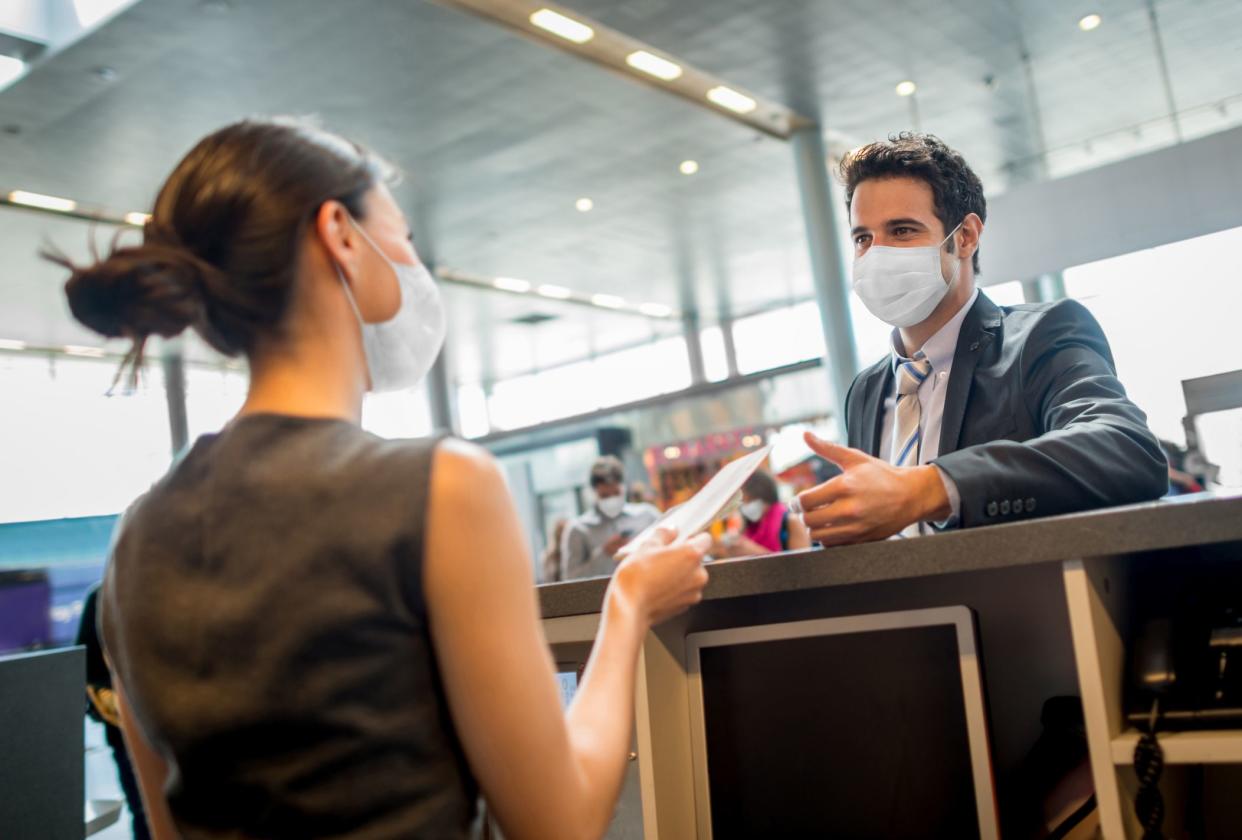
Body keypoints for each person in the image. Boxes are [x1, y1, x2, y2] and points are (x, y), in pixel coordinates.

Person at [50, 118, 710, 840]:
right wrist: (628, 608)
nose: (412, 267)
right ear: (338, 233)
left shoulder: (137, 538)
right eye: (404, 239)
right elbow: (558, 822)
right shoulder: (440, 487)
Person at [796, 132, 1167, 545]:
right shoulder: (867, 390)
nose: (876, 255)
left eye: (902, 231)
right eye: (863, 238)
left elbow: (1125, 448)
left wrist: (930, 488)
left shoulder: (1040, 337)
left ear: (966, 236)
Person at [76, 584, 150, 840]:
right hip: (129, 740)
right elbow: (88, 676)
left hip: (187, 739)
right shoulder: (103, 597)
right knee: (145, 817)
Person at [560, 457, 660, 581]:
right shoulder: (578, 529)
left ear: (624, 488)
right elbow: (570, 580)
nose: (611, 499)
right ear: (593, 493)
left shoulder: (648, 516)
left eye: (616, 493)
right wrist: (604, 553)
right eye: (605, 495)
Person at [713, 470, 810, 557]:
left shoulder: (790, 522)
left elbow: (804, 569)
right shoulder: (748, 525)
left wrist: (756, 552)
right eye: (743, 502)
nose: (745, 507)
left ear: (764, 495)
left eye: (750, 500)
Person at [540, 517, 568, 583]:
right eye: (560, 532)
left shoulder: (573, 553)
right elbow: (548, 580)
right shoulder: (548, 556)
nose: (562, 536)